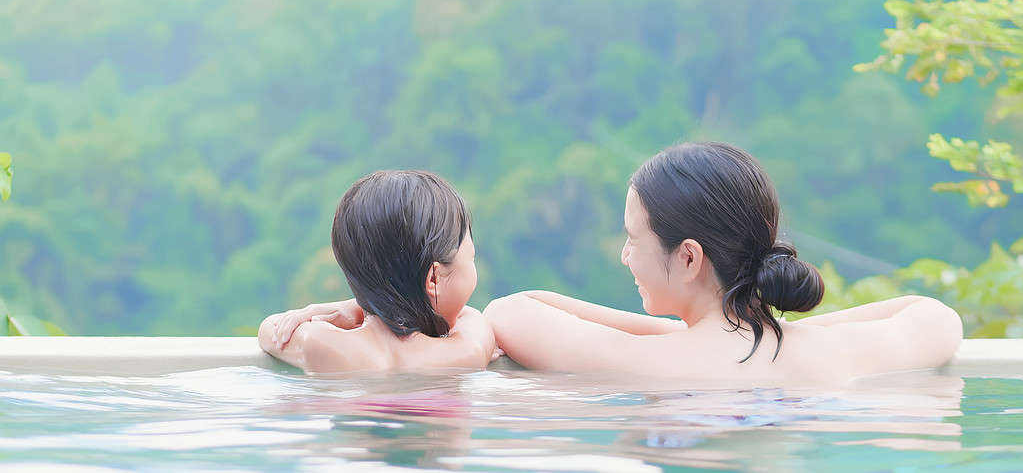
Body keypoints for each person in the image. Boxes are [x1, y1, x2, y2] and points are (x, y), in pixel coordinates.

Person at [483, 142, 963, 384]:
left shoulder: (647, 363)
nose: (624, 255)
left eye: (633, 239)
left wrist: (678, 334)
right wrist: (770, 328)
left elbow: (510, 310)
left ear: (689, 256)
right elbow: (935, 316)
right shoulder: (835, 353)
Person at [259, 170, 497, 373]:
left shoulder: (328, 348)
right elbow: (473, 318)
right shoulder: (464, 353)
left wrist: (354, 309)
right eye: (471, 258)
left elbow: (272, 330)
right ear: (434, 279)